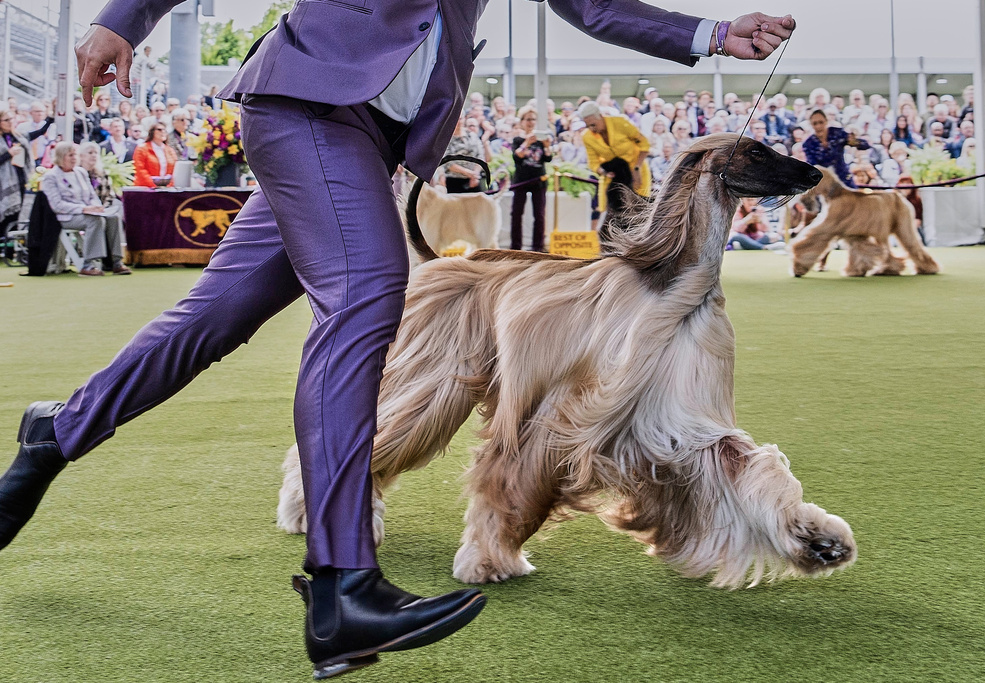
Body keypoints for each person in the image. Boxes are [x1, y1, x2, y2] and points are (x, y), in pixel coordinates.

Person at [1, 0, 797, 678]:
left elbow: (589, 4)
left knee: (213, 319)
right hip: (308, 102)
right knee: (364, 296)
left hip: (376, 136)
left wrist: (714, 34)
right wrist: (122, 21)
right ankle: (341, 580)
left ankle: (56, 430)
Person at [38, 142, 130, 276]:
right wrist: (84, 208)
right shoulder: (51, 177)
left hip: (86, 212)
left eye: (75, 154)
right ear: (61, 157)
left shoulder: (80, 172)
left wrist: (97, 206)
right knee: (95, 220)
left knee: (113, 218)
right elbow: (57, 205)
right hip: (65, 216)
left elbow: (92, 195)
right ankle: (89, 264)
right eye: (70, 155)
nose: (74, 158)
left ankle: (116, 262)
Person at [580, 99, 652, 229]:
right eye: (588, 126)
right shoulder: (587, 137)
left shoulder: (620, 122)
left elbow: (644, 144)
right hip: (615, 177)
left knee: (639, 207)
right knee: (614, 211)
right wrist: (604, 172)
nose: (592, 129)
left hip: (637, 169)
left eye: (593, 124)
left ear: (600, 116)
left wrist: (636, 169)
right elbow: (594, 163)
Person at [510, 106, 553, 251]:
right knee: (516, 215)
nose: (531, 122)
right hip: (521, 181)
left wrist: (547, 146)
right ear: (522, 121)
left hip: (539, 181)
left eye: (534, 119)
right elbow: (517, 157)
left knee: (539, 216)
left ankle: (538, 248)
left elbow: (548, 158)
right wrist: (526, 143)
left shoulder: (541, 140)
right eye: (528, 119)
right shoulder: (518, 139)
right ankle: (515, 248)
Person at [802, 109, 870, 188]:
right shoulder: (808, 144)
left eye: (821, 122)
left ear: (826, 121)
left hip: (843, 178)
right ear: (811, 125)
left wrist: (854, 141)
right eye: (815, 123)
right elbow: (812, 166)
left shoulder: (837, 133)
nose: (818, 126)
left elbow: (865, 145)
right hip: (824, 183)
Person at [0, 110, 31, 244]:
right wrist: (9, 154)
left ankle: (11, 248)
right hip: (3, 181)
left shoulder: (18, 136)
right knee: (5, 214)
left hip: (19, 177)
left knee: (17, 213)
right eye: (7, 120)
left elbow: (36, 134)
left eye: (12, 119)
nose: (10, 122)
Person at [442, 115, 487, 193]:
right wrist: (469, 173)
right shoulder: (445, 137)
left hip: (475, 180)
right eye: (456, 119)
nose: (458, 122)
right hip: (454, 181)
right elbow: (447, 162)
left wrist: (475, 176)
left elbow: (481, 156)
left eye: (460, 119)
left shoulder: (472, 135)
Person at [132, 122, 178, 188]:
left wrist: (168, 186)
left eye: (164, 130)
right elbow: (140, 170)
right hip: (145, 189)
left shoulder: (170, 150)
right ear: (152, 132)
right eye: (159, 130)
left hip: (166, 189)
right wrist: (154, 186)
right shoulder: (141, 149)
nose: (163, 132)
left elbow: (174, 170)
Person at [16, 101, 55, 167]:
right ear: (31, 113)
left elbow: (52, 143)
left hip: (44, 160)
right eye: (37, 111)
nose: (40, 114)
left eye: (42, 111)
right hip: (27, 159)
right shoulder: (22, 126)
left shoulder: (51, 127)